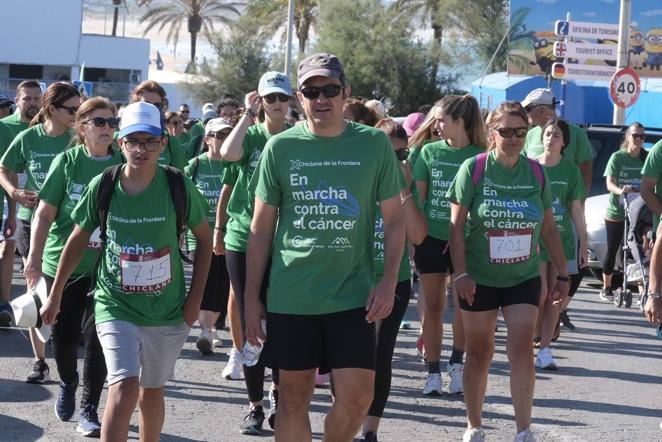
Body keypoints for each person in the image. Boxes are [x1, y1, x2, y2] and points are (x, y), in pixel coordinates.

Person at [244, 52, 405, 442]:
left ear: (345, 92)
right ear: (299, 97)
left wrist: (388, 282)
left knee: (356, 398)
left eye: (330, 89)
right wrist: (250, 297)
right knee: (293, 399)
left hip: (353, 295)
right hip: (292, 296)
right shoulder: (280, 148)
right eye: (311, 91)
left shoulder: (372, 145)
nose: (321, 99)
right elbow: (261, 228)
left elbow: (395, 218)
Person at [40, 101, 212, 441]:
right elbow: (76, 240)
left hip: (166, 307)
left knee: (152, 391)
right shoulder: (104, 184)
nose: (141, 149)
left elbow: (204, 240)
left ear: (163, 143)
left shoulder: (177, 186)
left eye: (150, 141)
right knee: (124, 385)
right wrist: (55, 294)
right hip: (114, 301)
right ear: (121, 143)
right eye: (133, 140)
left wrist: (195, 301)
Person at [447, 101, 569, 442]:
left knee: (520, 348)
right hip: (479, 277)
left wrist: (561, 272)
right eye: (506, 132)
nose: (513, 139)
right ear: (491, 133)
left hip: (523, 276)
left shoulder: (536, 173)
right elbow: (456, 228)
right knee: (480, 351)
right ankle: (473, 425)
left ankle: (523, 430)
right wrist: (460, 274)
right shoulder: (474, 169)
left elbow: (548, 228)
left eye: (520, 132)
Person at [23, 97, 124, 436]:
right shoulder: (67, 162)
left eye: (112, 122)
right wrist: (34, 260)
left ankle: (89, 407)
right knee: (64, 338)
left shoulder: (124, 164)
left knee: (97, 337)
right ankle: (67, 380)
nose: (108, 128)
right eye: (100, 122)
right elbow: (44, 213)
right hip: (62, 265)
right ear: (83, 128)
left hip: (108, 269)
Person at [219, 70, 293, 434]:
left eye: (282, 98)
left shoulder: (298, 138)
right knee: (251, 316)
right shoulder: (251, 135)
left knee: (279, 320)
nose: (276, 105)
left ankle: (279, 394)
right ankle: (254, 404)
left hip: (283, 241)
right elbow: (226, 153)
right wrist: (246, 116)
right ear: (260, 101)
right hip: (242, 236)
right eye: (270, 99)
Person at [0, 81, 80, 383]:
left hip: (72, 225)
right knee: (37, 290)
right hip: (32, 222)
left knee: (69, 292)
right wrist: (15, 191)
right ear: (51, 109)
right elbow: (3, 167)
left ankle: (67, 344)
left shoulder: (78, 140)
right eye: (71, 109)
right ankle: (39, 361)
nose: (77, 114)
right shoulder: (28, 137)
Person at [412, 95, 487, 396]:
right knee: (432, 307)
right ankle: (433, 371)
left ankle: (457, 364)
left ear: (460, 122)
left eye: (442, 120)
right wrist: (412, 238)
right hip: (431, 238)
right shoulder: (428, 152)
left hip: (466, 241)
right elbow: (418, 200)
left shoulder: (482, 156)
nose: (437, 125)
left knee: (463, 306)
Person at [361, 118, 427, 442]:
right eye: (391, 154)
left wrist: (404, 189)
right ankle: (347, 421)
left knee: (379, 354)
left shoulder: (406, 183)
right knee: (347, 357)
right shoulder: (356, 176)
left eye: (403, 154)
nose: (398, 161)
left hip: (394, 280)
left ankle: (369, 430)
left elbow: (417, 235)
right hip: (352, 279)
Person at [534, 118, 587, 370]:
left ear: (564, 142)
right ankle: (529, 337)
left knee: (554, 297)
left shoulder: (570, 170)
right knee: (539, 293)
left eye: (556, 135)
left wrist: (583, 243)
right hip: (534, 240)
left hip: (561, 241)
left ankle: (545, 349)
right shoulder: (531, 165)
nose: (551, 138)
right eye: (547, 134)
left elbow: (576, 209)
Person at [184, 117, 233, 355]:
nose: (224, 139)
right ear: (208, 139)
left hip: (228, 235)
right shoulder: (195, 165)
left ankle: (211, 328)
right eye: (219, 135)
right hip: (200, 236)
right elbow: (182, 198)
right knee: (204, 280)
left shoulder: (235, 164)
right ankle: (205, 331)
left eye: (228, 134)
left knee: (222, 284)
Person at [601, 123, 647, 301]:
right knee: (613, 249)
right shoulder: (617, 157)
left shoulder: (646, 158)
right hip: (617, 210)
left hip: (638, 212)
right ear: (628, 137)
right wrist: (621, 191)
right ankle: (607, 286)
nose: (639, 140)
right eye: (636, 135)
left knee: (637, 250)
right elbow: (609, 183)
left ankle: (642, 287)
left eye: (642, 137)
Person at [521, 88, 593, 192]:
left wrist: (580, 201)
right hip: (534, 205)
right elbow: (522, 169)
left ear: (541, 110)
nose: (525, 114)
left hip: (564, 206)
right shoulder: (529, 135)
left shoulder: (577, 134)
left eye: (527, 109)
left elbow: (586, 172)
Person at [129, 80, 188, 171]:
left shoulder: (171, 143)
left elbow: (180, 180)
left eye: (157, 105)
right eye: (146, 104)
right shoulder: (119, 139)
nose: (152, 109)